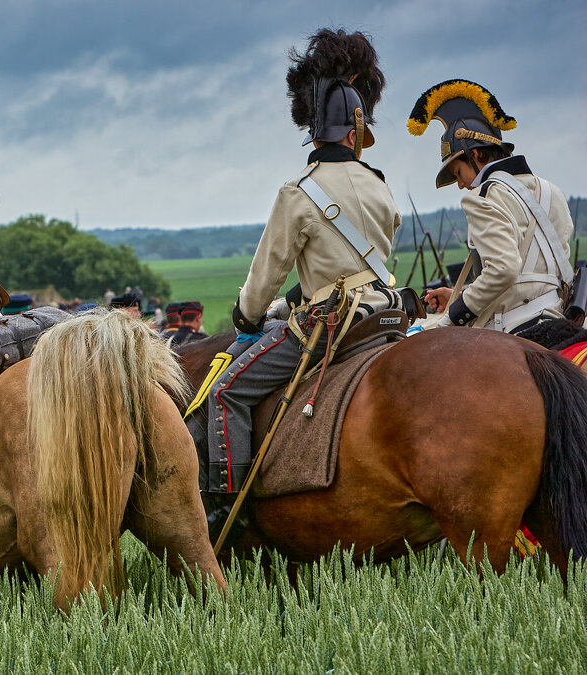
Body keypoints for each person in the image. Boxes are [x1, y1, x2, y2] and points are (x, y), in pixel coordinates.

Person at [200, 29, 401, 539]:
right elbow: (361, 257)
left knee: (225, 392)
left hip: (330, 324)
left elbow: (267, 272)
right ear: (357, 132)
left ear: (313, 133)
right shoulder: (380, 186)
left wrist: (246, 316)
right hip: (385, 314)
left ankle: (227, 506)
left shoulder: (298, 193)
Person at [408, 80, 574, 333]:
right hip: (559, 318)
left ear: (475, 155)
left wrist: (453, 315)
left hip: (513, 328)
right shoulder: (553, 191)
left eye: (458, 171)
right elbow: (532, 278)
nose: (461, 185)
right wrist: (459, 294)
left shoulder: (483, 197)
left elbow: (503, 272)